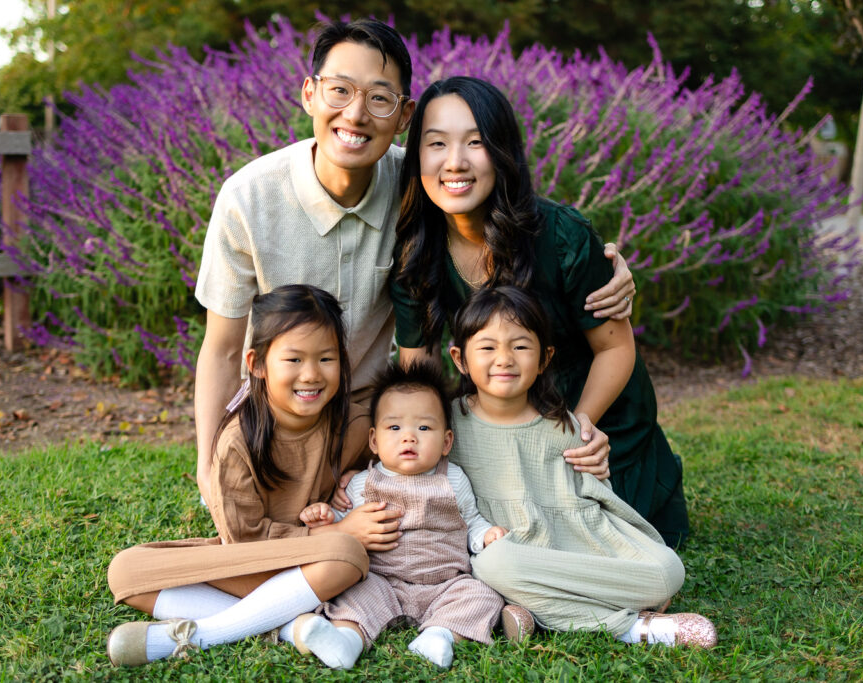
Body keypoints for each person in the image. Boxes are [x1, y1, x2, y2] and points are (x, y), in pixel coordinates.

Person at [192, 20, 632, 503]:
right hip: (279, 410)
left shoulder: (421, 181)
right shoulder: (248, 198)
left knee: (355, 519)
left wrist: (609, 262)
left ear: (403, 115)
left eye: (378, 98)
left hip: (363, 415)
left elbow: (501, 204)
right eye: (339, 91)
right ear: (309, 94)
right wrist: (206, 464)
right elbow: (223, 350)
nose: (356, 114)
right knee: (277, 520)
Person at [392, 76, 688, 546]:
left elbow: (614, 349)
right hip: (500, 423)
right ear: (417, 157)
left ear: (503, 151)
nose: (455, 162)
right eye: (436, 144)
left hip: (591, 420)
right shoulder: (416, 251)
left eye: (475, 143)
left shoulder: (561, 234)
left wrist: (578, 430)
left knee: (593, 538)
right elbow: (417, 366)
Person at [105, 285, 404, 666]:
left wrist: (357, 476)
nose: (311, 375)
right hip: (256, 563)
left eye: (326, 358)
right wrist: (337, 533)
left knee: (348, 556)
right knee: (127, 570)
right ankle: (288, 625)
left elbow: (392, 467)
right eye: (293, 359)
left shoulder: (357, 425)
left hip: (322, 569)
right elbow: (242, 539)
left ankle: (205, 635)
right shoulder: (237, 442)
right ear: (257, 363)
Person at [447, 286, 716, 647]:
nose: (505, 358)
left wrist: (600, 472)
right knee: (493, 565)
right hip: (510, 551)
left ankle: (531, 610)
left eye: (521, 346)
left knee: (668, 571)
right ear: (460, 359)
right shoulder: (449, 424)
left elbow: (602, 508)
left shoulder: (566, 426)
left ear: (544, 358)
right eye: (487, 347)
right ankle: (633, 627)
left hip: (575, 547)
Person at [291, 362, 530, 669]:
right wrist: (327, 518)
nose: (409, 438)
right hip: (381, 582)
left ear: (446, 442)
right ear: (374, 441)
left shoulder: (453, 478)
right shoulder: (363, 483)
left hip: (445, 583)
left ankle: (439, 636)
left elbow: (471, 521)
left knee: (481, 594)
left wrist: (485, 535)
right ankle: (346, 641)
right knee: (352, 596)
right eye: (395, 428)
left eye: (423, 428)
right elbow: (344, 527)